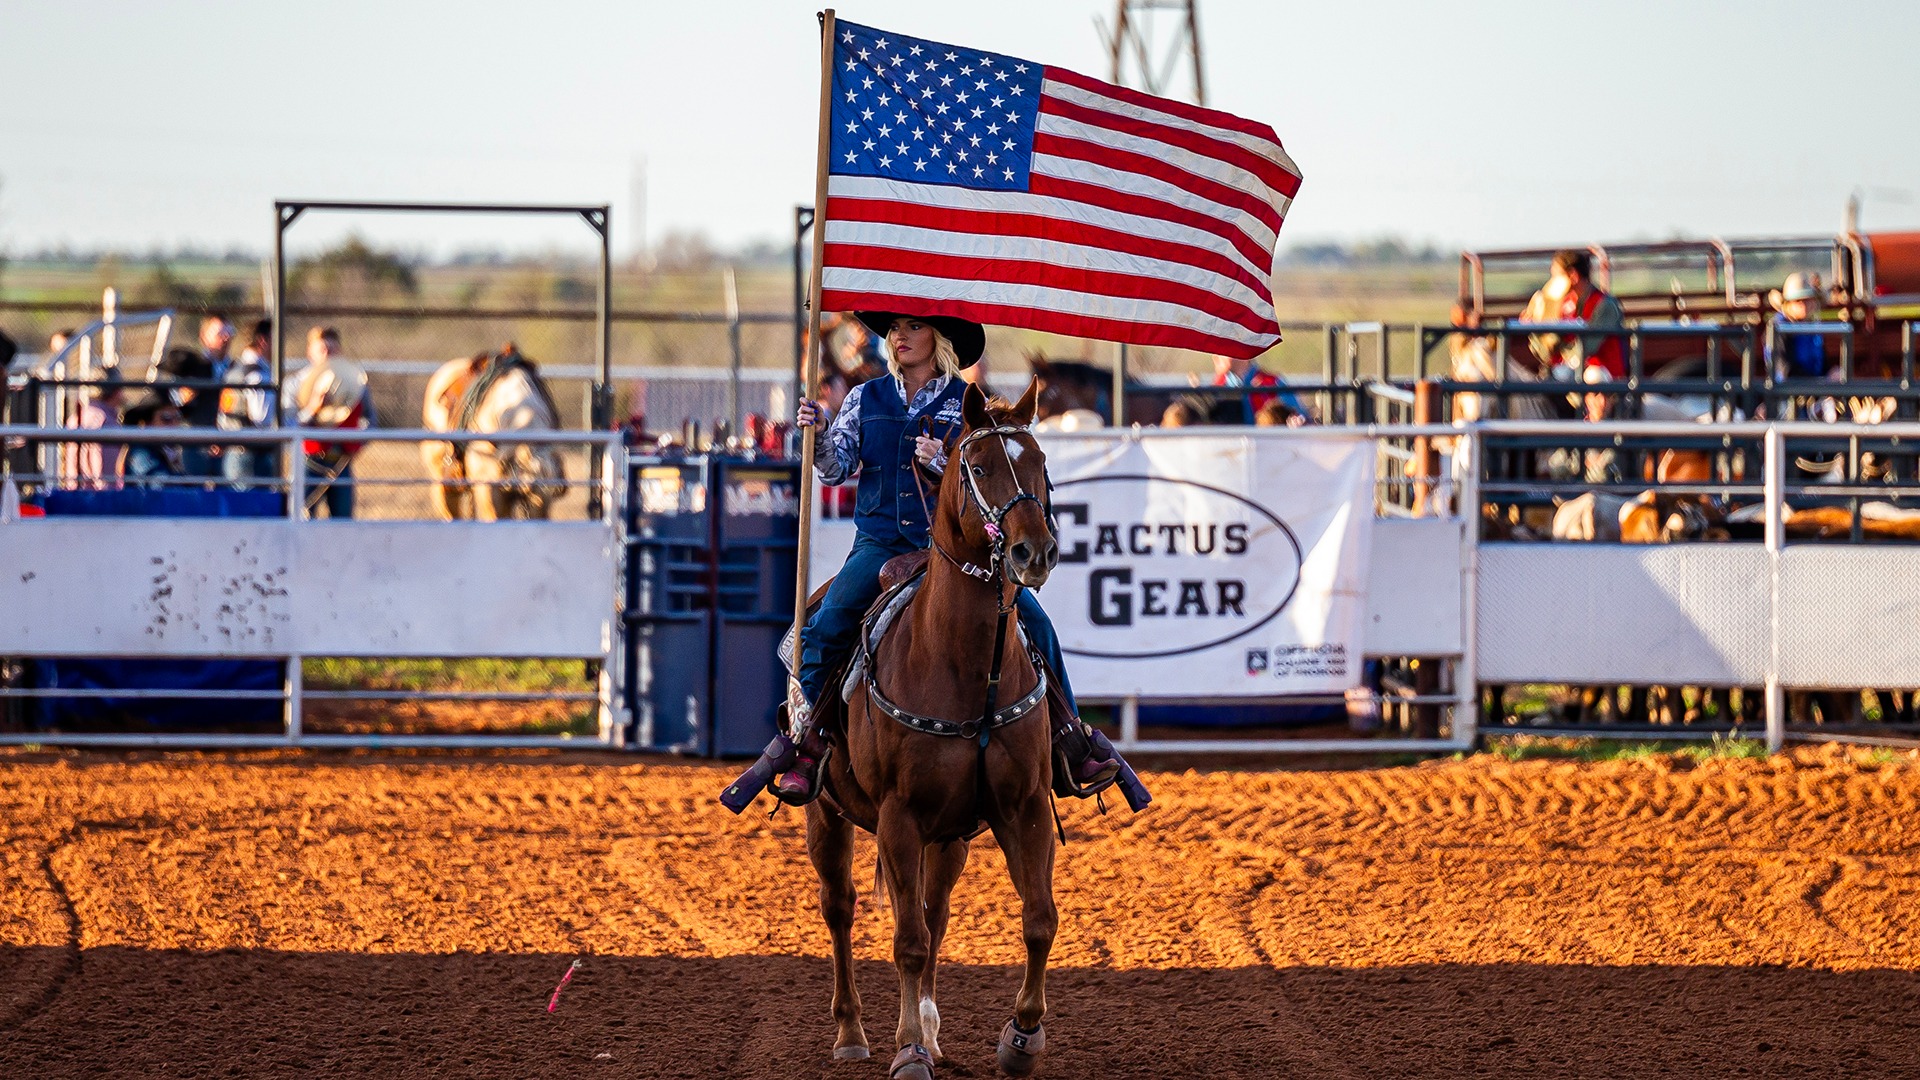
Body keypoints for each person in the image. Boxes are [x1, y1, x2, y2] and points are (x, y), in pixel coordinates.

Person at [767, 310, 1120, 802]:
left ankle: (1069, 738)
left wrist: (943, 463)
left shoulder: (969, 404)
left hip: (955, 550)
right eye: (894, 329)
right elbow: (833, 469)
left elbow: (991, 476)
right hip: (881, 544)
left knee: (1036, 623)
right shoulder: (865, 398)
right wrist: (820, 432)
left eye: (912, 327)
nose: (899, 337)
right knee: (828, 622)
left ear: (939, 338)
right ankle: (809, 740)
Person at [1522, 250, 1625, 424]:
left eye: (1556, 275)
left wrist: (1556, 346)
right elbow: (1547, 352)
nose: (1551, 282)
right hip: (1568, 370)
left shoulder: (1604, 305)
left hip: (1601, 370)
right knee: (1543, 384)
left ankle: (1601, 434)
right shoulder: (1563, 303)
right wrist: (1535, 330)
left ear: (1573, 276)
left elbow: (1587, 348)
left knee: (1593, 378)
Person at [283, 327, 372, 519]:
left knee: (343, 520)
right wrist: (312, 409)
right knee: (301, 517)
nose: (327, 355)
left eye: (332, 350)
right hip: (308, 461)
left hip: (340, 462)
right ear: (310, 352)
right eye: (322, 349)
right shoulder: (296, 383)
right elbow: (287, 424)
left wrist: (358, 443)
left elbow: (370, 420)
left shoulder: (355, 382)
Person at [219, 319, 278, 487]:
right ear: (263, 341)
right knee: (257, 509)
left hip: (233, 453)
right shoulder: (259, 376)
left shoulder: (233, 370)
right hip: (252, 458)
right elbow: (262, 419)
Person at [71, 366, 127, 487]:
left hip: (73, 492)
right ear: (116, 390)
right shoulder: (106, 421)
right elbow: (105, 470)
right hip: (99, 497)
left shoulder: (77, 417)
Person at [1767, 272, 1829, 380]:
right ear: (1787, 304)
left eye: (1808, 299)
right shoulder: (1779, 328)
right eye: (1797, 300)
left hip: (1814, 389)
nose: (1803, 304)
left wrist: (1831, 373)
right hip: (1786, 392)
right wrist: (1820, 381)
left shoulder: (1813, 328)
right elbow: (1785, 369)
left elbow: (1821, 363)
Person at [119, 390, 186, 489]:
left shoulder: (166, 452)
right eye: (166, 418)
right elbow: (161, 489)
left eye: (178, 417)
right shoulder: (140, 453)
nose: (175, 424)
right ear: (146, 424)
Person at [1211, 350, 1299, 422]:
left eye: (1223, 347)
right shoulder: (1217, 388)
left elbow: (1298, 416)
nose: (1215, 356)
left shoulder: (1273, 383)